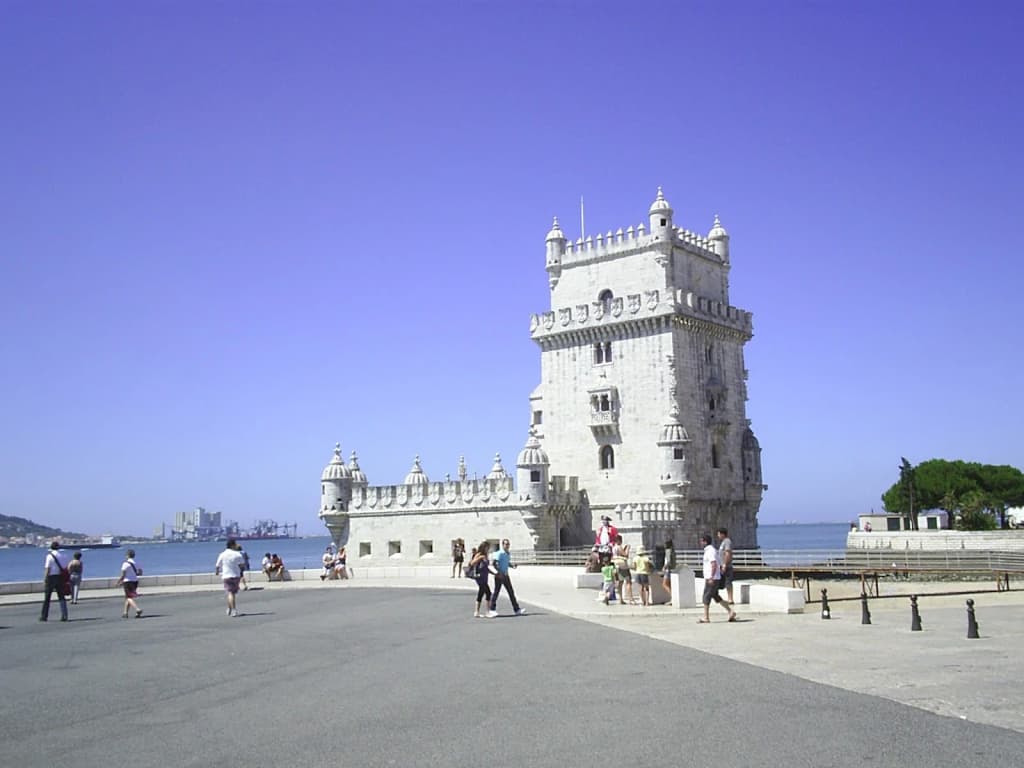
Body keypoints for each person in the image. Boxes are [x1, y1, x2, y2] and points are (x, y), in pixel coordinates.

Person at [698, 533, 735, 624]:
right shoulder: (711, 550)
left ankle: (706, 618)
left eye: (702, 541)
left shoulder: (710, 551)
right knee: (716, 597)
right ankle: (731, 612)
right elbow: (717, 564)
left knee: (706, 597)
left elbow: (714, 564)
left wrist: (711, 577)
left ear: (705, 541)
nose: (700, 542)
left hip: (712, 578)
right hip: (714, 577)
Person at [487, 538, 525, 618]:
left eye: (508, 544)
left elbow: (506, 563)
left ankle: (516, 609)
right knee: (496, 592)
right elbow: (494, 563)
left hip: (506, 575)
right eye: (506, 544)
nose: (507, 546)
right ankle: (492, 610)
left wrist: (512, 565)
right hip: (499, 576)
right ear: (502, 545)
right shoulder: (499, 553)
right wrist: (498, 572)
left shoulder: (507, 553)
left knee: (511, 592)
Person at [215, 538, 246, 617]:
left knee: (230, 593)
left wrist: (217, 572)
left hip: (226, 575)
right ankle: (233, 610)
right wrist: (240, 569)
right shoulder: (237, 554)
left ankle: (230, 609)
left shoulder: (222, 554)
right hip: (236, 575)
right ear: (232, 545)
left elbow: (217, 565)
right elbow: (242, 565)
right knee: (232, 593)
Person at [40, 541, 69, 622]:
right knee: (61, 596)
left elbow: (47, 568)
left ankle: (44, 616)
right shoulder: (63, 556)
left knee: (47, 597)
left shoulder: (49, 556)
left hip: (51, 577)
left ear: (51, 547)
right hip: (60, 577)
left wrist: (45, 579)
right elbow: (66, 567)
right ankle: (64, 615)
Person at [117, 549, 143, 619]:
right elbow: (140, 573)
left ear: (127, 555)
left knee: (128, 597)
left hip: (127, 582)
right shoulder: (136, 563)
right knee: (129, 597)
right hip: (135, 581)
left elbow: (123, 574)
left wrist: (119, 581)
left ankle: (137, 609)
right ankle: (125, 613)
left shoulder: (125, 563)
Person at [469, 541, 492, 618]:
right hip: (480, 577)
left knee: (481, 593)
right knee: (488, 593)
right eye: (487, 547)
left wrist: (493, 573)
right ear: (483, 547)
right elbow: (471, 563)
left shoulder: (486, 555)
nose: (488, 549)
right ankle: (487, 611)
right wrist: (480, 558)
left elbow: (486, 567)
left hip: (485, 576)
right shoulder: (479, 554)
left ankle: (476, 612)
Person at [611, 535, 635, 605]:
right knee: (628, 582)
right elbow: (625, 555)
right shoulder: (619, 547)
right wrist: (627, 548)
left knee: (620, 583)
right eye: (621, 540)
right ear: (618, 540)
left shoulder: (614, 547)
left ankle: (621, 599)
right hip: (623, 566)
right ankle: (631, 599)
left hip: (617, 565)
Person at [716, 527, 734, 606]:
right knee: (722, 582)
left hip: (726, 566)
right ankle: (721, 599)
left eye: (719, 534)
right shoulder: (723, 542)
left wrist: (725, 565)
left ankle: (730, 599)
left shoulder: (727, 542)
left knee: (728, 582)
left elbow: (727, 553)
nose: (718, 535)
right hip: (722, 565)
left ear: (722, 534)